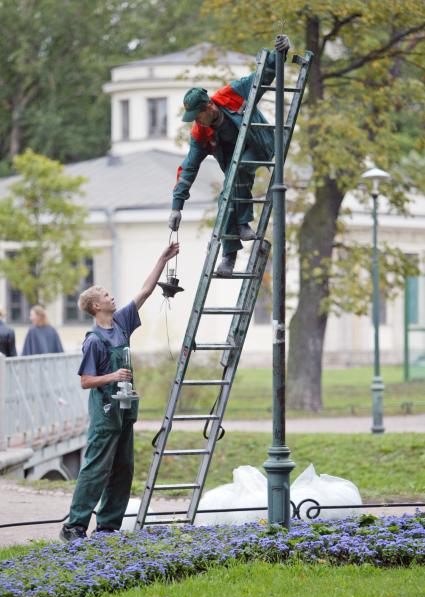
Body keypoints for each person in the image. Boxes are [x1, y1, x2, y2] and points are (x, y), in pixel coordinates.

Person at [60, 242, 179, 543]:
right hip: (105, 413)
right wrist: (113, 375)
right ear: (96, 306)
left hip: (125, 411)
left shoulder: (121, 322)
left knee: (123, 468)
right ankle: (74, 526)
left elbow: (145, 291)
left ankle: (108, 526)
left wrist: (162, 259)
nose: (112, 297)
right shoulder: (94, 341)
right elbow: (86, 380)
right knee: (96, 469)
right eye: (106, 296)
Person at [168, 34, 290, 277]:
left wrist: (280, 54)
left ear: (208, 107)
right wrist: (177, 207)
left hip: (260, 144)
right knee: (227, 195)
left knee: (241, 167)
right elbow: (188, 168)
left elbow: (262, 77)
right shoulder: (200, 132)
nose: (196, 122)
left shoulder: (230, 94)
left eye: (197, 116)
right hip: (235, 168)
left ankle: (243, 224)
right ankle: (229, 254)